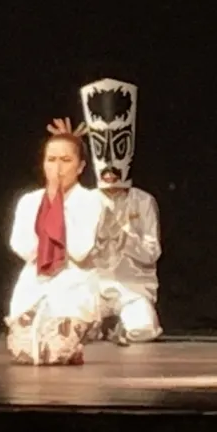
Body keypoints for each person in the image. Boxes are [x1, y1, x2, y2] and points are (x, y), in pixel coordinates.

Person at [6, 120, 106, 365]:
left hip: (73, 284)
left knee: (55, 352)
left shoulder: (90, 200)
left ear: (80, 166)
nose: (57, 168)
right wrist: (47, 206)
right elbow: (21, 245)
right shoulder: (29, 201)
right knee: (28, 353)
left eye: (66, 160)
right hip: (35, 283)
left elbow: (80, 250)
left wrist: (58, 208)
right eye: (51, 160)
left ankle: (80, 339)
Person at [79, 77, 162, 344]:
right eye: (103, 146)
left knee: (143, 329)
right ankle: (100, 327)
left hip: (132, 287)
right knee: (69, 329)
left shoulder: (143, 201)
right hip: (93, 286)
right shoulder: (86, 201)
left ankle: (121, 327)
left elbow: (152, 253)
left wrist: (127, 237)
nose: (111, 165)